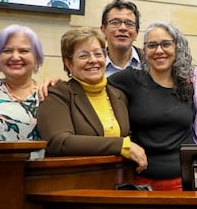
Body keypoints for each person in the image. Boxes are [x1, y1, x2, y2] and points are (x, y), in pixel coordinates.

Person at [37, 27, 147, 173]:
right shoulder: (57, 93)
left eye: (98, 53)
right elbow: (59, 142)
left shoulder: (118, 95)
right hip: (73, 183)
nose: (93, 60)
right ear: (68, 63)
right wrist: (121, 145)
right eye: (83, 55)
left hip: (118, 182)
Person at [108, 22, 195, 191]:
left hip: (183, 182)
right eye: (152, 45)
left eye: (166, 44)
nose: (159, 51)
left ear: (177, 47)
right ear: (144, 50)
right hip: (141, 182)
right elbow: (90, 85)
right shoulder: (130, 79)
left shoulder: (189, 85)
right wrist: (55, 83)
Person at [0, 24, 44, 141]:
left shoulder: (48, 93)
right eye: (7, 51)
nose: (15, 57)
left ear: (36, 59)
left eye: (24, 51)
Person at [100, 0, 143, 76]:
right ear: (103, 30)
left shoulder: (150, 63)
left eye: (129, 24)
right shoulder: (94, 66)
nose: (123, 28)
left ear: (136, 33)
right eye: (115, 22)